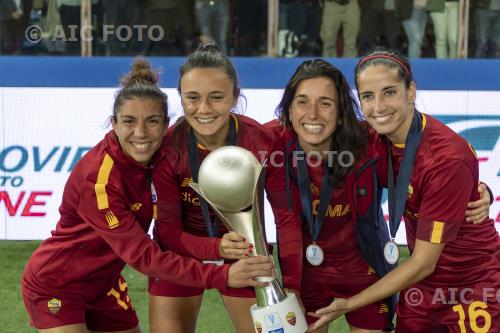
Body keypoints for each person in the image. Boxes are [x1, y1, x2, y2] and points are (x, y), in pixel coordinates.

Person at [21, 58, 274, 333]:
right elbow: (144, 257)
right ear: (113, 123)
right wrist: (222, 274)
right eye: (129, 121)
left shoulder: (161, 153)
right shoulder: (99, 180)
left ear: (165, 124)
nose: (140, 133)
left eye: (152, 121)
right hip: (59, 283)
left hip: (105, 284)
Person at [265, 59, 492, 333]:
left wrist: (351, 303)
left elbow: (423, 261)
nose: (379, 107)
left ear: (411, 92)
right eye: (368, 97)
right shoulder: (368, 138)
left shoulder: (426, 154)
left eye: (389, 92)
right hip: (417, 287)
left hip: (471, 282)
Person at [149, 44, 286, 333]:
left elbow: (286, 217)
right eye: (193, 98)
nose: (204, 109)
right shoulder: (168, 148)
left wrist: (289, 279)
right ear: (181, 99)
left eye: (216, 97)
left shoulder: (261, 142)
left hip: (244, 253)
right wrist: (214, 246)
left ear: (235, 96)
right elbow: (169, 232)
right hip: (179, 255)